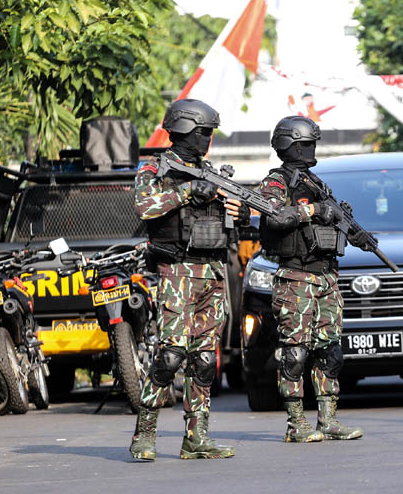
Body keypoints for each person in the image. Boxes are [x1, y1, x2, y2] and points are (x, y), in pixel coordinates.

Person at [128, 99, 249, 461]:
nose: (208, 140)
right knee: (170, 355)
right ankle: (144, 435)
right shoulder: (155, 169)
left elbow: (227, 225)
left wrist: (237, 215)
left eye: (210, 133)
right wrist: (186, 192)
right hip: (177, 271)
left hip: (212, 270)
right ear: (184, 130)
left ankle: (196, 438)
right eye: (204, 133)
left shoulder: (210, 172)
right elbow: (144, 206)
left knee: (204, 360)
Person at [258, 115, 372, 443]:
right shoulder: (276, 183)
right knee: (295, 353)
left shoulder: (317, 184)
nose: (310, 151)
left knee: (331, 351)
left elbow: (335, 221)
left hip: (326, 279)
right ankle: (297, 423)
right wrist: (312, 212)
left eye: (312, 144)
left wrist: (356, 233)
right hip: (295, 278)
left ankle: (329, 420)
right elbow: (276, 218)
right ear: (289, 146)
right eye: (305, 145)